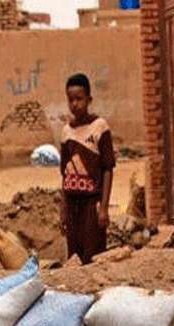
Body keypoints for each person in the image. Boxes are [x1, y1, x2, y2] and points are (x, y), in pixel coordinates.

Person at [59, 73, 115, 265]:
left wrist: (104, 208)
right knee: (74, 256)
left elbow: (108, 169)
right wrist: (63, 208)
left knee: (93, 255)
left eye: (79, 99)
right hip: (73, 202)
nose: (75, 104)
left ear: (89, 99)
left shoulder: (99, 127)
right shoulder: (67, 131)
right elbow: (64, 173)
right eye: (70, 100)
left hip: (92, 202)